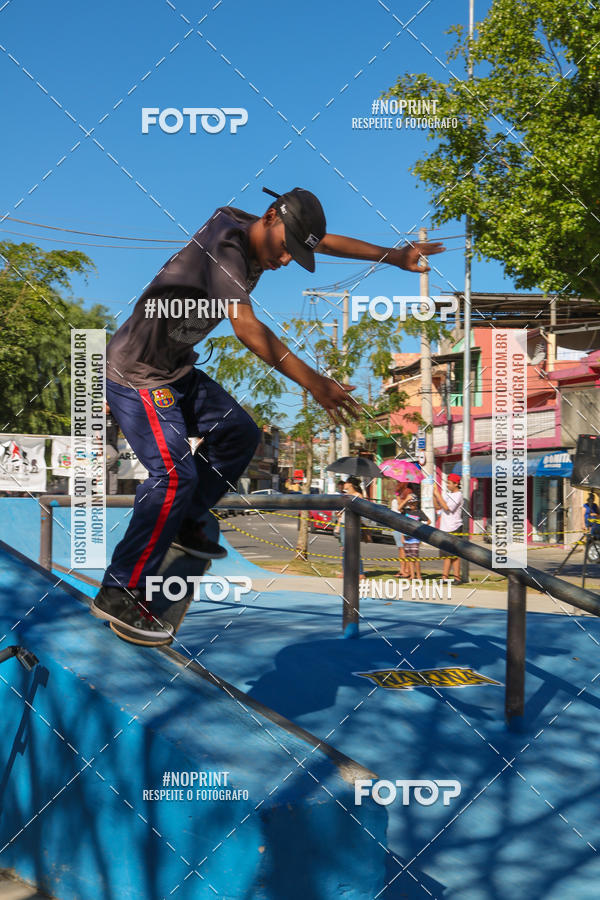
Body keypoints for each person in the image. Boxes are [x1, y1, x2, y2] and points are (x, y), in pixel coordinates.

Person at [91, 186, 444, 639]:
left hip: (175, 371)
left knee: (239, 432)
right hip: (136, 374)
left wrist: (392, 256)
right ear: (269, 216)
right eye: (284, 249)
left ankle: (185, 519)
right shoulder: (225, 246)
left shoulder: (271, 231)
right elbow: (247, 328)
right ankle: (119, 590)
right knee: (174, 476)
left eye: (295, 253)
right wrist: (314, 382)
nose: (285, 260)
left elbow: (325, 241)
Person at [433, 473, 463, 582]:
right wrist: (434, 495)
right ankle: (444, 577)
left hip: (454, 527)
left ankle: (457, 578)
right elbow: (438, 507)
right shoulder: (447, 495)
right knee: (446, 555)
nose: (447, 485)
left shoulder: (458, 495)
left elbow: (447, 507)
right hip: (444, 528)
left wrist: (438, 495)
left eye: (449, 483)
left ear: (456, 484)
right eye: (447, 483)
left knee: (454, 555)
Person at [335, 476, 366, 579]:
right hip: (344, 524)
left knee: (354, 548)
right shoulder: (345, 495)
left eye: (346, 482)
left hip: (354, 525)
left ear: (350, 484)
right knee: (344, 549)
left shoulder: (358, 496)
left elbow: (361, 511)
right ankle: (345, 571)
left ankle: (360, 572)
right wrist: (338, 517)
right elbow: (341, 512)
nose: (344, 484)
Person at [399, 492, 430, 580]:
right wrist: (406, 499)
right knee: (409, 558)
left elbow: (428, 521)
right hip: (406, 538)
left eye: (413, 503)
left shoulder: (419, 512)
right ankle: (412, 575)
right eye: (410, 503)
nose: (411, 505)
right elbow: (399, 508)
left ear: (416, 503)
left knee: (415, 558)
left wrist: (421, 530)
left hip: (415, 539)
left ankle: (419, 576)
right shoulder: (406, 511)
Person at [391, 485, 411, 577]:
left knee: (406, 549)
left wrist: (405, 500)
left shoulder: (409, 501)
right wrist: (400, 498)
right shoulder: (395, 501)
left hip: (405, 526)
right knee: (401, 549)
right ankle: (402, 569)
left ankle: (407, 570)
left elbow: (402, 509)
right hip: (397, 526)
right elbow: (398, 509)